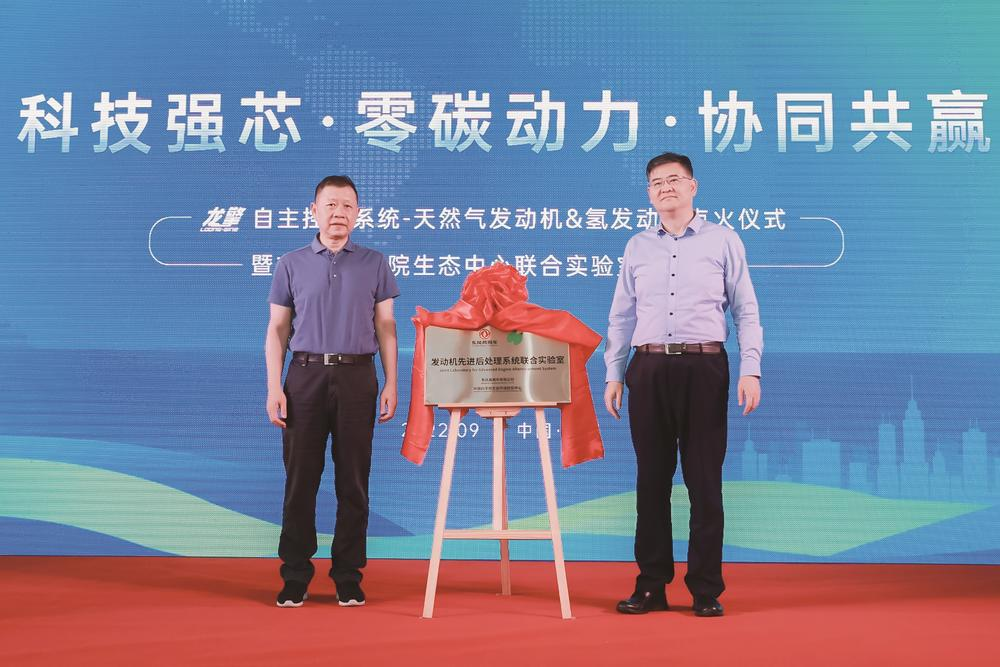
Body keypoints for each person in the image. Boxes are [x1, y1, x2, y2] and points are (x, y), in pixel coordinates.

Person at [604, 152, 762, 617]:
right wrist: (614, 373)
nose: (665, 188)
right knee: (650, 482)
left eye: (674, 179)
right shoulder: (637, 246)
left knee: (704, 482)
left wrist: (751, 368)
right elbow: (621, 315)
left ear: (693, 186)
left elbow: (745, 309)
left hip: (704, 367)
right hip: (648, 368)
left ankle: (705, 589)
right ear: (649, 194)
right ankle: (651, 585)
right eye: (656, 183)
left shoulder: (723, 240)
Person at [265, 175, 399, 608]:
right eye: (330, 205)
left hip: (358, 377)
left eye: (347, 206)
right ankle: (295, 575)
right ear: (314, 211)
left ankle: (347, 574)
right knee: (300, 481)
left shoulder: (375, 263)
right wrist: (274, 386)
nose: (338, 213)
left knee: (353, 481)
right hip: (304, 377)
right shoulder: (291, 263)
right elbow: (277, 329)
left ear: (357, 213)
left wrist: (392, 382)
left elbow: (386, 326)